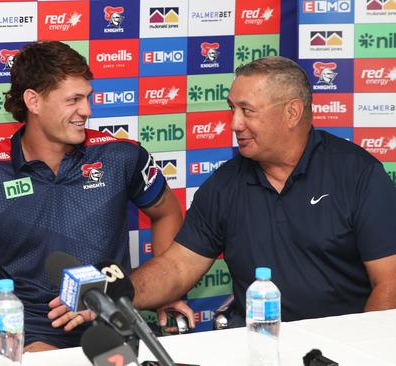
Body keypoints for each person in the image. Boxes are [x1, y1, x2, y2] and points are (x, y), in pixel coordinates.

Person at [52, 55, 396, 331]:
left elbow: (390, 284)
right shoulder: (225, 184)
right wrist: (111, 294)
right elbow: (177, 267)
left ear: (292, 112)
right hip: (259, 345)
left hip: (343, 347)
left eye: (247, 110)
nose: (234, 124)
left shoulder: (357, 174)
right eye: (232, 109)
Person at [0, 41, 184, 352]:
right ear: (33, 101)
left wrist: (169, 290)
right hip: (35, 331)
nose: (87, 111)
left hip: (114, 319)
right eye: (74, 100)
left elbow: (168, 213)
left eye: (88, 98)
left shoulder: (121, 156)